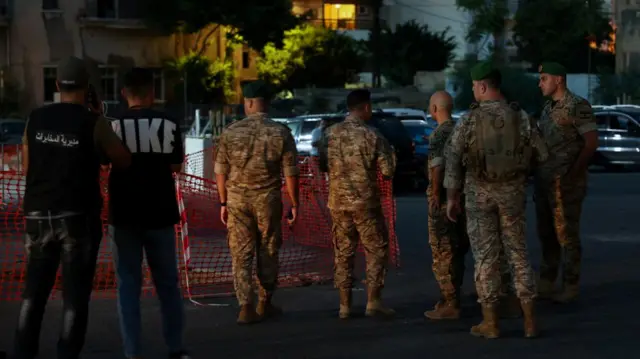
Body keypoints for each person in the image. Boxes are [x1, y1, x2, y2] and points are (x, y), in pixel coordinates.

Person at [14, 56, 131, 359]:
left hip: (38, 214)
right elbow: (122, 160)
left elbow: (27, 169)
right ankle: (66, 354)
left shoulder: (35, 118)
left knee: (33, 293)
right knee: (75, 297)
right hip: (77, 217)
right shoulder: (93, 122)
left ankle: (22, 352)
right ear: (87, 87)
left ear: (56, 85)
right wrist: (99, 119)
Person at [444, 62, 548, 339]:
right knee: (518, 253)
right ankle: (529, 321)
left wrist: (451, 197)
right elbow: (542, 154)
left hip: (479, 194)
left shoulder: (469, 119)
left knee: (486, 257)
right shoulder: (521, 116)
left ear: (481, 86)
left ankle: (490, 323)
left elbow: (453, 159)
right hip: (513, 193)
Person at [106, 68, 190, 359]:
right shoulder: (167, 122)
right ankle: (175, 348)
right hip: (160, 212)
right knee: (167, 284)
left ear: (124, 93)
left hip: (124, 214)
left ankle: (132, 351)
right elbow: (176, 166)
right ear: (152, 92)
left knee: (127, 286)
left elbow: (105, 164)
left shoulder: (112, 125)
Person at [214, 80, 300, 324]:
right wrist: (295, 204)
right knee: (268, 250)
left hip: (237, 200)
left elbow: (220, 171)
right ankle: (265, 302)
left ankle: (245, 307)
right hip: (268, 200)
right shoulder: (280, 132)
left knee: (240, 254)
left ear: (248, 103)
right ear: (267, 104)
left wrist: (222, 203)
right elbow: (291, 172)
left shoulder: (230, 132)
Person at [326, 89, 396, 320]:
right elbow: (388, 171)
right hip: (365, 204)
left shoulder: (330, 134)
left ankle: (344, 305)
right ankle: (373, 301)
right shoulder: (372, 135)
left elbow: (321, 164)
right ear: (365, 107)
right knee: (375, 250)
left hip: (338, 203)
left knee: (343, 252)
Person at [535, 62, 598, 303]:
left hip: (566, 184)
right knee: (546, 233)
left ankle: (571, 284)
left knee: (567, 235)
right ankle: (547, 280)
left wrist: (574, 174)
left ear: (558, 80)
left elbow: (591, 143)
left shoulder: (577, 106)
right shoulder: (548, 108)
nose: (540, 83)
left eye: (544, 78)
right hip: (545, 182)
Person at [423, 91, 470, 320]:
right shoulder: (462, 129)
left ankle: (450, 303)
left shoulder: (439, 134)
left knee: (443, 252)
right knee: (459, 249)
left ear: (434, 109)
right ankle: (452, 297)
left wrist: (434, 194)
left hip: (444, 200)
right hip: (464, 198)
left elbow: (437, 166)